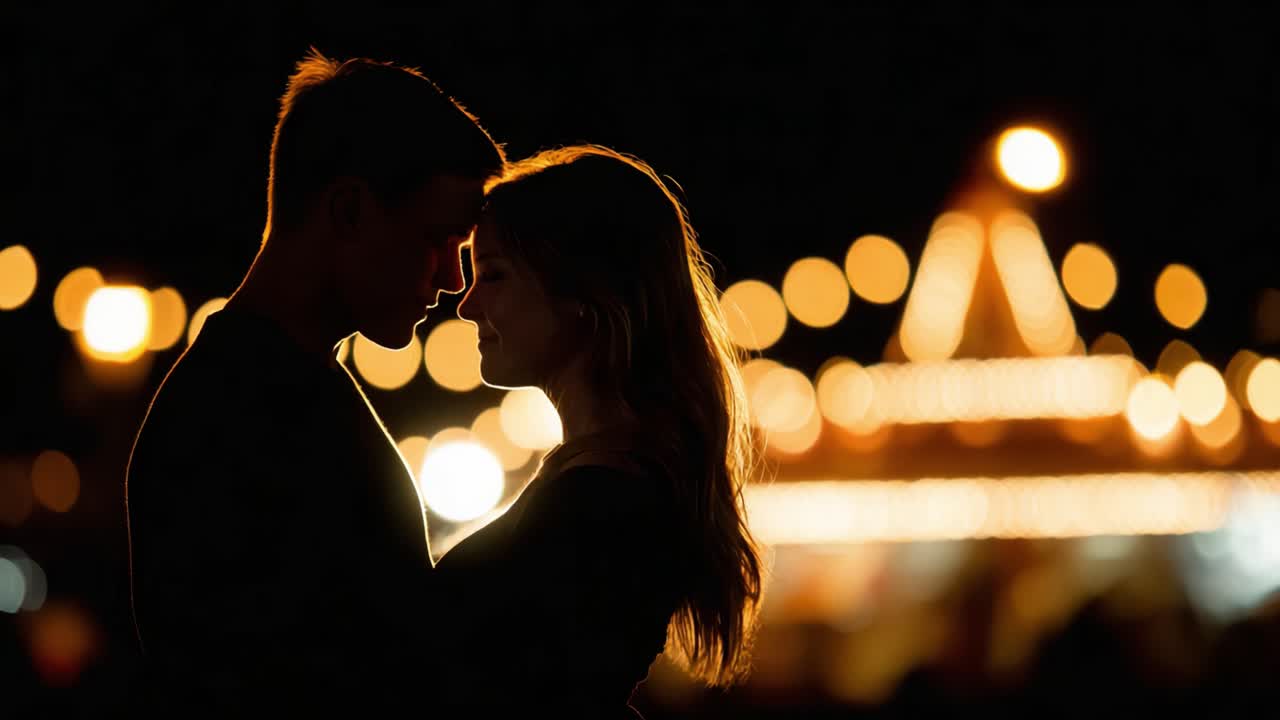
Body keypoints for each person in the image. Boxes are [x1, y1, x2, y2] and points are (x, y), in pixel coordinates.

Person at [124, 49, 504, 715]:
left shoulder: (268, 390)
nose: (451, 280)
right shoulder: (240, 415)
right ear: (350, 211)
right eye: (438, 240)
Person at [431, 145, 763, 718]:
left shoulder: (602, 507)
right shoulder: (612, 483)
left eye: (494, 276)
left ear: (583, 293)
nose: (467, 305)